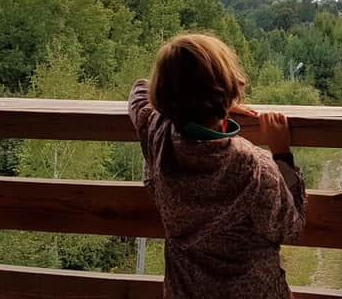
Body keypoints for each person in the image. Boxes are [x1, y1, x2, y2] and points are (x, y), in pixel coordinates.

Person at [128, 33, 307, 299]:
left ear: (165, 99)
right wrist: (282, 155)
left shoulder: (159, 134)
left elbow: (139, 92)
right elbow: (290, 228)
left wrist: (204, 103)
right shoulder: (253, 166)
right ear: (227, 90)